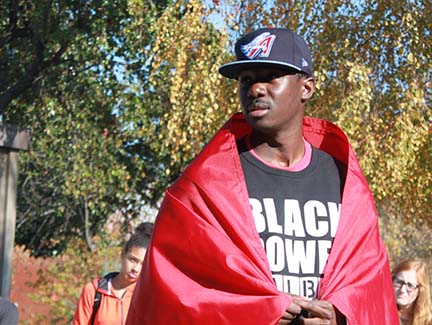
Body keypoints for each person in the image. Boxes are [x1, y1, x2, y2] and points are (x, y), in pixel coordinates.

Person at [127, 27, 398, 324]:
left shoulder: (343, 180)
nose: (255, 89)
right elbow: (175, 292)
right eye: (246, 80)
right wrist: (254, 310)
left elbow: (369, 286)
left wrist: (343, 316)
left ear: (306, 88)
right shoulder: (207, 183)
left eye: (270, 76)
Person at [73, 222, 153, 325]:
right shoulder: (94, 291)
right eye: (133, 260)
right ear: (123, 255)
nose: (136, 269)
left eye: (143, 264)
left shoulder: (146, 298)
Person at [392, 259, 432, 325]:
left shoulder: (428, 322)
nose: (402, 289)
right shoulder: (380, 314)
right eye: (399, 282)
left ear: (420, 290)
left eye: (410, 285)